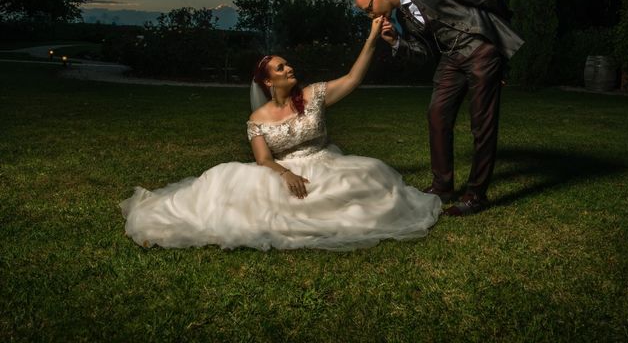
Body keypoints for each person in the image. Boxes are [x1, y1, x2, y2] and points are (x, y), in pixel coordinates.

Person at [120, 18, 441, 251]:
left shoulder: (314, 94)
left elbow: (354, 78)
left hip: (326, 164)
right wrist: (285, 172)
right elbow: (262, 159)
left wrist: (371, 37)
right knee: (225, 186)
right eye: (280, 68)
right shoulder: (257, 118)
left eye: (287, 64)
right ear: (268, 83)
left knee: (365, 184)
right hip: (278, 171)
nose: (289, 69)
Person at [355, 0, 524, 216]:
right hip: (451, 57)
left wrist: (495, 34)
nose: (371, 15)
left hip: (480, 48)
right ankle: (442, 187)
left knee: (482, 124)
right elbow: (424, 53)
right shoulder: (402, 16)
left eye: (369, 9)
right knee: (437, 114)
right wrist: (395, 42)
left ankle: (475, 196)